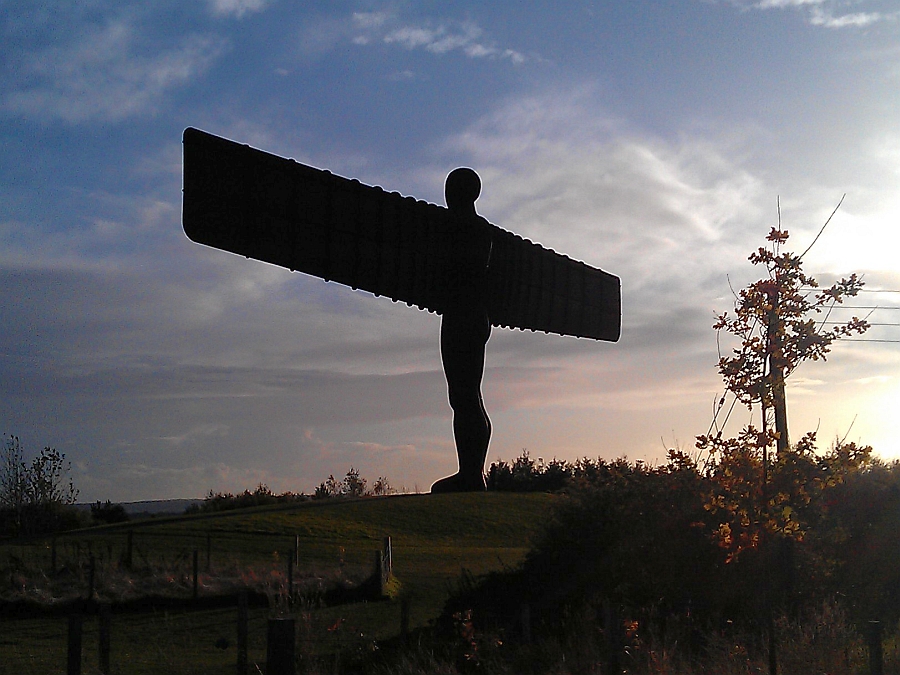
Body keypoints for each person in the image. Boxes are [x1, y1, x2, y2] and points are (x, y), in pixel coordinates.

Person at [431, 168, 494, 493]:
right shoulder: (482, 230)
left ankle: (471, 474)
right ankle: (471, 471)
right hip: (475, 315)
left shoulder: (459, 227)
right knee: (468, 394)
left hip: (462, 314)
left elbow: (454, 270)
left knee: (464, 395)